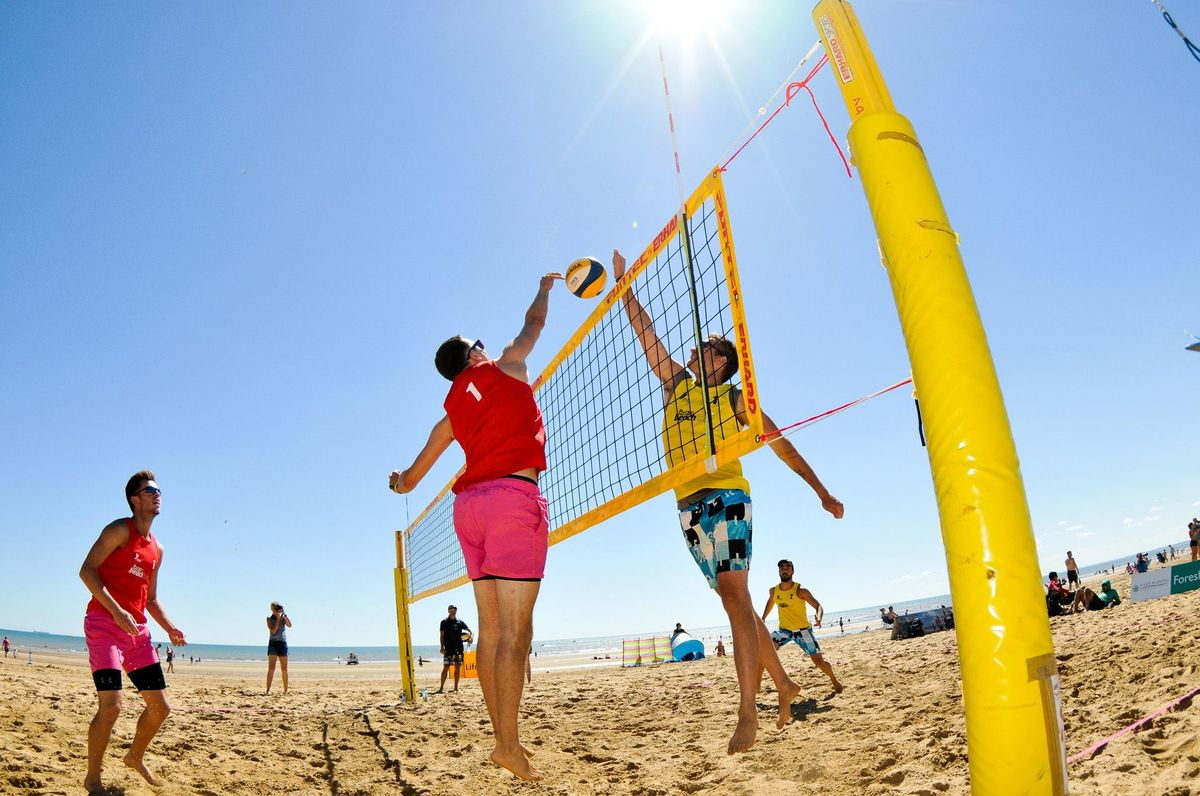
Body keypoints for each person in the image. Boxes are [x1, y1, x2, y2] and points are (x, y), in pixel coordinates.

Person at [613, 250, 843, 754]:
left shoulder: (736, 398)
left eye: (701, 350)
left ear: (720, 361)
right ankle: (783, 683)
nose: (691, 354)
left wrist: (820, 491)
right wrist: (625, 287)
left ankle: (747, 715)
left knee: (736, 599)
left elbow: (781, 442)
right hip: (687, 507)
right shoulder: (677, 385)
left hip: (728, 500)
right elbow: (645, 335)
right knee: (735, 602)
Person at [390, 272, 560, 782]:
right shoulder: (508, 364)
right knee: (517, 632)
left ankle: (502, 739)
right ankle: (507, 744)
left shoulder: (450, 413)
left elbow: (412, 479)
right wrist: (545, 288)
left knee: (492, 632)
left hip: (470, 511)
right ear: (475, 354)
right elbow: (533, 323)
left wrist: (397, 481)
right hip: (511, 501)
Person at [78, 470, 186, 793]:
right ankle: (93, 778)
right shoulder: (118, 531)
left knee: (160, 708)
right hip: (103, 625)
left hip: (137, 633)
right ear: (135, 499)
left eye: (159, 490)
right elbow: (86, 570)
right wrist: (115, 609)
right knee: (111, 706)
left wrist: (169, 627)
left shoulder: (158, 550)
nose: (157, 495)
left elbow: (150, 598)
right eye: (150, 490)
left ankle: (135, 757)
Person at [761, 560, 843, 693]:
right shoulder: (773, 591)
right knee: (765, 650)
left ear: (792, 571)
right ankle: (758, 685)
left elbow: (818, 606)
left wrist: (819, 617)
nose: (784, 570)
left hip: (803, 631)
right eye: (782, 568)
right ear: (779, 571)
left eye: (787, 567)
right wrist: (763, 617)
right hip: (784, 630)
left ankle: (833, 679)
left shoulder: (800, 591)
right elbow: (771, 602)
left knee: (818, 662)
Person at [438, 604, 471, 693]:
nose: (453, 611)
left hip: (459, 649)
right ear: (448, 611)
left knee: (457, 668)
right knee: (446, 668)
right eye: (451, 609)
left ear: (456, 611)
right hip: (448, 649)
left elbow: (470, 632)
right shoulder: (444, 622)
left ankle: (456, 688)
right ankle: (441, 688)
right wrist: (441, 647)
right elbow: (441, 636)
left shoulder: (460, 622)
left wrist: (470, 638)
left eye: (454, 609)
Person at [266, 602, 292, 694]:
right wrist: (277, 618)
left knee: (284, 668)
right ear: (272, 609)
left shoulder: (283, 618)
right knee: (271, 668)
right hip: (273, 644)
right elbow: (273, 630)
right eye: (275, 608)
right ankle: (268, 690)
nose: (277, 609)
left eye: (278, 607)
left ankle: (285, 690)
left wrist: (284, 615)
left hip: (283, 644)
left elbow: (290, 625)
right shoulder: (269, 619)